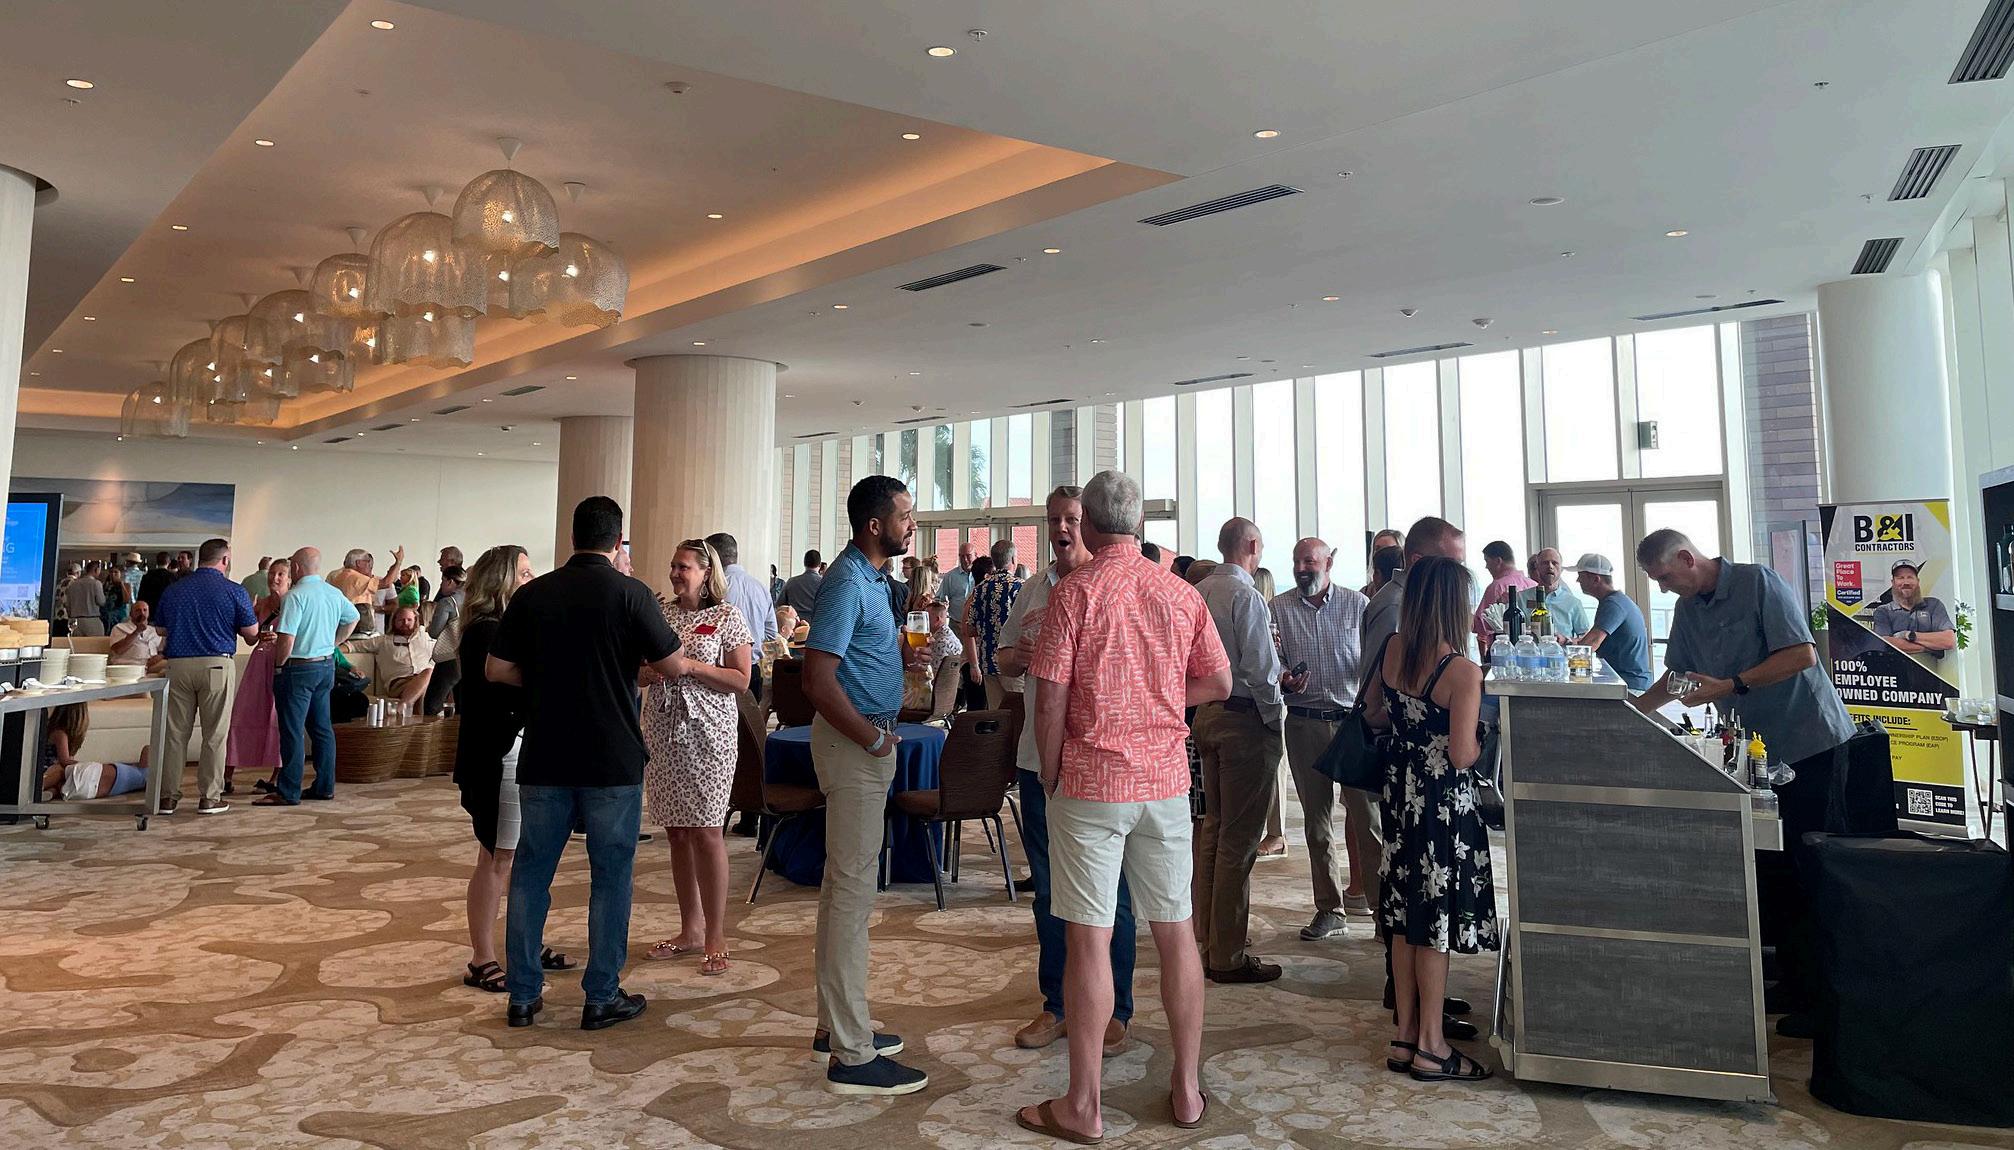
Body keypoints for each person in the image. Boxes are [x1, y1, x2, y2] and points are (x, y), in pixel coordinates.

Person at [1016, 470, 1229, 1142]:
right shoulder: (1179, 592)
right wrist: (1162, 698)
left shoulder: (1074, 593)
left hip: (1091, 782)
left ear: (1089, 524)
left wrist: (1050, 770)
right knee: (1176, 933)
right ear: (1138, 525)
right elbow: (1220, 680)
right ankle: (1187, 1089)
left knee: (1089, 939)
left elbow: (1049, 698)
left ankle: (1084, 1104)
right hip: (1164, 782)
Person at [1629, 529, 1858, 1023]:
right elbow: (1678, 676)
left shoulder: (1758, 583)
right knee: (1771, 865)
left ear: (1687, 558)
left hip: (1811, 742)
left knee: (1811, 863)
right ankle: (1793, 982)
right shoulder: (1688, 609)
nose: (1663, 589)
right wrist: (1634, 712)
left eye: (1665, 578)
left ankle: (1826, 999)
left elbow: (1801, 655)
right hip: (1756, 753)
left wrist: (1731, 685)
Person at [488, 497, 686, 1032]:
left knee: (530, 875)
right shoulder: (630, 593)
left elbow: (496, 669)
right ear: (618, 541)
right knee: (611, 878)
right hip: (611, 758)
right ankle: (600, 996)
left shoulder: (533, 594)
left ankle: (522, 996)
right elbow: (670, 664)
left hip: (545, 754)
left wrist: (546, 680)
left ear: (571, 537)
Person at [995, 484, 1139, 1054]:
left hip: (1098, 764)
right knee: (1049, 890)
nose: (1062, 528)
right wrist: (1025, 655)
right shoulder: (1033, 590)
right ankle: (1056, 1005)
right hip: (1039, 762)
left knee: (1113, 893)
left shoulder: (1108, 587)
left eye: (1072, 519)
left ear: (1091, 524)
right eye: (1054, 519)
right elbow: (1004, 658)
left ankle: (1116, 1009)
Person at [800, 475, 931, 1095]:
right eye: (905, 516)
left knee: (843, 890)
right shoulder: (849, 582)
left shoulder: (875, 580)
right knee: (852, 895)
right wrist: (874, 739)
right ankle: (851, 1055)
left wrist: (899, 663)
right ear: (875, 525)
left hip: (866, 740)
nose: (913, 525)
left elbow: (853, 660)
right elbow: (817, 680)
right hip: (854, 746)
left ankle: (836, 1025)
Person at [1362, 555, 1499, 1083]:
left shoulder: (1394, 648)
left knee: (1403, 918)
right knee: (1435, 922)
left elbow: (1374, 711)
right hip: (1443, 805)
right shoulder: (1462, 672)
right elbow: (1462, 755)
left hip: (1402, 794)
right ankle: (1432, 1046)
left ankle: (1404, 1035)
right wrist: (1480, 736)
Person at [454, 544, 565, 994]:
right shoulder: (486, 630)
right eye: (523, 572)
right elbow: (516, 679)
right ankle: (482, 957)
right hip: (497, 753)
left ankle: (523, 941)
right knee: (497, 855)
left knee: (520, 854)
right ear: (500, 580)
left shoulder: (505, 626)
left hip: (518, 747)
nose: (531, 579)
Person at [641, 539, 753, 977]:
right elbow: (638, 670)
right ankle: (690, 929)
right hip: (663, 733)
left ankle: (716, 934)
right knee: (677, 833)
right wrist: (652, 671)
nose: (675, 573)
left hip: (710, 736)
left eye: (684, 567)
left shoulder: (727, 615)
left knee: (706, 831)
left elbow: (741, 679)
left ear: (707, 573)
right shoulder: (660, 614)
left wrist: (688, 667)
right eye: (673, 565)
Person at [1192, 517, 1287, 984]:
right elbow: (1260, 670)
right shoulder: (1245, 596)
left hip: (1206, 715)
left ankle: (1207, 939)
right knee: (1239, 840)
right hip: (1244, 719)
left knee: (1213, 830)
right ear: (1251, 545)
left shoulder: (1197, 591)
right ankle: (1227, 954)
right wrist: (1275, 718)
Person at [1271, 537, 1375, 940]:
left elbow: (1375, 661)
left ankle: (1384, 912)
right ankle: (1330, 909)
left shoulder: (1358, 605)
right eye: (1297, 561)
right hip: (1304, 723)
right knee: (1317, 825)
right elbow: (1273, 659)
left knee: (1368, 822)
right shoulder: (1278, 608)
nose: (1302, 569)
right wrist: (1284, 676)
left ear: (1328, 563)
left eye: (1309, 562)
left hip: (1351, 723)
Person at [153, 538, 260, 816]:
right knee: (215, 734)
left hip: (178, 666)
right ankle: (210, 797)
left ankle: (167, 797)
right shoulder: (234, 591)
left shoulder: (174, 590)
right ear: (225, 560)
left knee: (175, 734)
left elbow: (161, 629)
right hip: (216, 665)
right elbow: (251, 634)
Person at [259, 547, 361, 806]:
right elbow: (354, 617)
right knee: (322, 729)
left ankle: (288, 791)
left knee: (292, 730)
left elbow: (287, 638)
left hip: (298, 669)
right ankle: (325, 786)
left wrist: (279, 666)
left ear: (295, 567)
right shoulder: (333, 593)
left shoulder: (295, 596)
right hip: (325, 666)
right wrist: (333, 643)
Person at [227, 558, 290, 796]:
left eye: (281, 574)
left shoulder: (293, 603)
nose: (275, 578)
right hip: (258, 662)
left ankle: (277, 775)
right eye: (272, 573)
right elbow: (251, 639)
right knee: (243, 712)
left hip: (280, 662)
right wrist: (250, 616)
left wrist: (279, 639)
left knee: (276, 716)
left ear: (289, 578)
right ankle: (227, 774)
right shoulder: (262, 603)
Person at [1363, 517, 1466, 657]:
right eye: (1451, 565)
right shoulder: (1395, 606)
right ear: (1418, 561)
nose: (1460, 574)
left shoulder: (1426, 599)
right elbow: (1379, 666)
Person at [707, 531, 780, 697]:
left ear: (713, 557)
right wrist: (751, 641)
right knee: (751, 714)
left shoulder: (714, 587)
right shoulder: (761, 588)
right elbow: (771, 633)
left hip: (720, 673)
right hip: (753, 669)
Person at [1567, 554, 1651, 689]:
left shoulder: (1613, 604)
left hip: (1629, 685)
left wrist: (1562, 664)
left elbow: (1591, 643)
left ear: (1596, 579)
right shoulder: (1617, 601)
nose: (1578, 580)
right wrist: (1567, 642)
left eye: (1581, 576)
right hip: (1627, 680)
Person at [38, 704, 151, 801]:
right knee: (62, 772)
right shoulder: (59, 733)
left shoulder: (60, 733)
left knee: (62, 777)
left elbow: (65, 760)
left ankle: (49, 792)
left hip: (54, 766)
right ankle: (40, 786)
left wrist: (81, 764)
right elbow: (64, 760)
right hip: (48, 767)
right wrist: (82, 764)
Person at [965, 539, 1024, 709]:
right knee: (1019, 712)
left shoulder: (980, 588)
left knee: (997, 714)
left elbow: (970, 629)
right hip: (1012, 663)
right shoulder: (1020, 587)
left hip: (988, 662)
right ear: (1013, 559)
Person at [345, 605, 436, 708]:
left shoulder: (426, 638)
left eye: (409, 620)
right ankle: (405, 706)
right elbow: (353, 646)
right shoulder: (383, 641)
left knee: (428, 683)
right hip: (399, 682)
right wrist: (333, 649)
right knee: (428, 674)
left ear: (415, 621)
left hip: (425, 680)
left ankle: (405, 709)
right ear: (394, 621)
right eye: (401, 620)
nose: (405, 623)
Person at [1870, 560, 1957, 659]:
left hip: (1930, 669)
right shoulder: (1884, 611)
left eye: (1910, 577)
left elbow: (1948, 640)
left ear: (1918, 581)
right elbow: (1884, 643)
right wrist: (1930, 648)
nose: (1906, 582)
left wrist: (1909, 635)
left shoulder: (1934, 605)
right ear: (1893, 582)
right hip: (1896, 667)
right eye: (1900, 578)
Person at [1473, 540, 1535, 652]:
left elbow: (1481, 624)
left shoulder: (1497, 587)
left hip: (1503, 650)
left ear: (1498, 561)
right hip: (1531, 650)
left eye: (1487, 561)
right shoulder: (1533, 585)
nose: (1486, 567)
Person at [1516, 547, 1590, 637]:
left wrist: (1566, 641)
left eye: (1555, 563)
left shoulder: (1573, 603)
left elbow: (1585, 637)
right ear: (1537, 567)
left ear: (1561, 569)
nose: (1550, 566)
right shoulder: (1521, 598)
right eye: (1545, 563)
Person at [423, 564, 466, 716]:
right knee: (461, 705)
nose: (441, 585)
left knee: (432, 703)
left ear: (450, 581)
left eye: (442, 581)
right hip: (467, 656)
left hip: (449, 658)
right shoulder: (473, 600)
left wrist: (429, 626)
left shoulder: (448, 602)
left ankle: (431, 731)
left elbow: (434, 632)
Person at [330, 547, 400, 608]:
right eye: (368, 561)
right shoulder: (356, 578)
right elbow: (386, 583)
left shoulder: (339, 576)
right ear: (359, 563)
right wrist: (398, 562)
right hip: (358, 617)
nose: (370, 565)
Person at [107, 597, 165, 670]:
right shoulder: (119, 627)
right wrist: (137, 631)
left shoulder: (153, 630)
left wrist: (159, 657)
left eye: (145, 610)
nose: (142, 613)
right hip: (128, 665)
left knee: (171, 666)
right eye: (138, 610)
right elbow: (118, 650)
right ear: (131, 614)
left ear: (148, 613)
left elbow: (162, 651)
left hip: (150, 666)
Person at [937, 541, 976, 644]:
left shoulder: (982, 575)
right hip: (956, 626)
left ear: (975, 555)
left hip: (976, 627)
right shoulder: (950, 577)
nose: (965, 560)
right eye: (962, 556)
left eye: (968, 556)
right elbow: (939, 600)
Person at [64, 560, 108, 637]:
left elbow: (68, 605)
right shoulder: (96, 583)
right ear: (96, 570)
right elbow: (101, 601)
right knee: (95, 643)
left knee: (76, 644)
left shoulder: (73, 584)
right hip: (92, 620)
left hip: (75, 621)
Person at [1359, 528, 1404, 597]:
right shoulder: (1364, 593)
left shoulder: (1410, 591)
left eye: (1388, 549)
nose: (1381, 553)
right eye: (1377, 549)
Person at [784, 549, 824, 621]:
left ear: (804, 563)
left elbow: (780, 605)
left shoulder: (791, 582)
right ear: (820, 565)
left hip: (796, 624)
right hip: (818, 624)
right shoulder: (824, 583)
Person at [100, 565, 133, 633]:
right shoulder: (105, 585)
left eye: (116, 572)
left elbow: (126, 600)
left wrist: (121, 584)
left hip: (119, 614)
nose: (113, 574)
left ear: (120, 574)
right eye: (111, 572)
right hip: (105, 613)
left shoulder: (126, 585)